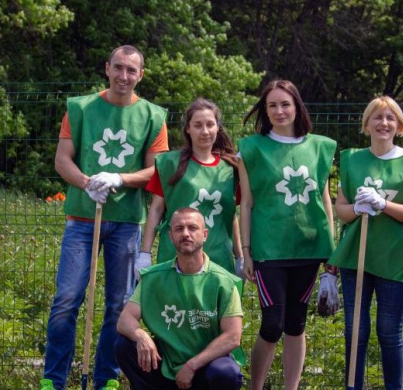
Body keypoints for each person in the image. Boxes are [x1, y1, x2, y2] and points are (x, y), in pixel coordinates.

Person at [41, 45, 169, 390]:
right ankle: (52, 380)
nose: (123, 76)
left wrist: (119, 179)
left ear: (140, 75)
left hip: (127, 221)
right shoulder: (80, 108)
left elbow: (158, 169)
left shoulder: (154, 116)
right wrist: (87, 183)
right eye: (118, 68)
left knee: (118, 304)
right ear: (107, 68)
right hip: (83, 219)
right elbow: (62, 159)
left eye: (131, 70)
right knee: (67, 298)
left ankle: (106, 379)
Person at [328, 96, 403, 390]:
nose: (383, 123)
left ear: (399, 125)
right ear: (367, 124)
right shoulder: (352, 159)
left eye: (390, 118)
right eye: (377, 117)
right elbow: (340, 209)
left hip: (394, 257)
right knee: (356, 330)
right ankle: (353, 386)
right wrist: (357, 210)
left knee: (389, 331)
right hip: (357, 258)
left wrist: (382, 204)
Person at [237, 79, 336, 390]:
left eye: (285, 104)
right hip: (269, 250)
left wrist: (331, 249)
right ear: (265, 111)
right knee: (272, 324)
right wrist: (247, 250)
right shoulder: (252, 148)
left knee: (296, 324)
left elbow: (325, 199)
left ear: (297, 107)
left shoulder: (320, 147)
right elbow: (247, 204)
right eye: (272, 105)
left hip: (309, 247)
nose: (279, 111)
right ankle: (256, 387)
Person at [115, 207, 244, 390]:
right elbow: (124, 320)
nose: (185, 234)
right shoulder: (153, 277)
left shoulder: (224, 281)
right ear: (170, 236)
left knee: (226, 372)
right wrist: (141, 335)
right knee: (124, 345)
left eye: (192, 228)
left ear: (205, 234)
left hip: (205, 367)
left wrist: (192, 365)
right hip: (165, 364)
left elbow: (232, 337)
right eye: (179, 229)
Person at [140, 98, 243, 275]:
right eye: (197, 125)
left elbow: (230, 215)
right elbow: (156, 209)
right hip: (175, 255)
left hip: (218, 256)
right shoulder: (169, 164)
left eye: (210, 124)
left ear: (218, 127)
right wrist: (144, 253)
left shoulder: (231, 169)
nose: (205, 131)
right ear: (188, 128)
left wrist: (240, 256)